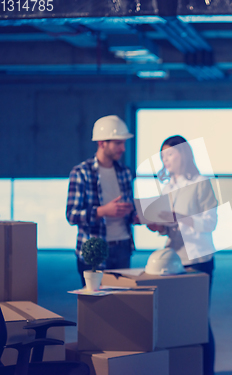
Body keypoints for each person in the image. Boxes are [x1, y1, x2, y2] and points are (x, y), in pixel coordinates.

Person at [147, 135, 217, 375]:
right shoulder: (168, 186)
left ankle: (206, 371)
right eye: (163, 155)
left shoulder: (201, 182)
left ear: (184, 154)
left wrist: (180, 217)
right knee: (176, 320)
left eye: (171, 154)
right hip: (173, 260)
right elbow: (171, 226)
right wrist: (158, 225)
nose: (165, 160)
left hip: (198, 260)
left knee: (198, 321)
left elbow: (210, 223)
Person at [66, 115, 137, 287]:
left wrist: (136, 215)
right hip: (94, 249)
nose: (123, 148)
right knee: (95, 308)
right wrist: (102, 211)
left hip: (122, 247)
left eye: (124, 143)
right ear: (101, 143)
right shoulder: (81, 172)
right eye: (118, 143)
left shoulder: (125, 172)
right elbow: (72, 215)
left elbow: (127, 209)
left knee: (121, 305)